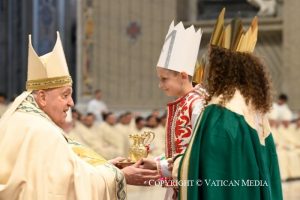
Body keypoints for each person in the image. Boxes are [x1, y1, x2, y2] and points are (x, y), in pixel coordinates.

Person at [0, 32, 159, 199]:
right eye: (65, 95)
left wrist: (106, 167)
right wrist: (120, 176)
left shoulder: (20, 118)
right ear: (42, 97)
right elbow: (61, 188)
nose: (71, 103)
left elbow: (67, 171)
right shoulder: (41, 131)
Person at [175, 10, 282, 200]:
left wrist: (167, 167)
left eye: (212, 61)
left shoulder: (221, 111)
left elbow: (212, 172)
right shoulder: (252, 104)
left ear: (220, 67)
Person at [141, 21, 208, 199]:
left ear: (183, 76)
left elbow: (197, 155)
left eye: (164, 79)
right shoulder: (183, 102)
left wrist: (160, 167)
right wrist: (156, 162)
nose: (160, 85)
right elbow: (179, 151)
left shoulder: (198, 105)